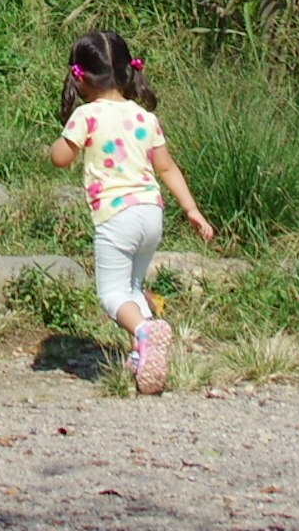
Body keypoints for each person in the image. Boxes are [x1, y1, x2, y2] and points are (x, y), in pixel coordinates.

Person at [49, 28, 216, 394]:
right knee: (134, 287)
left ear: (81, 77)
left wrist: (57, 142)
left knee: (111, 294)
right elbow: (168, 168)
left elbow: (61, 159)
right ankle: (142, 358)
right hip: (151, 215)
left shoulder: (87, 116)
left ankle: (144, 331)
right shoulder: (145, 118)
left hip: (116, 216)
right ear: (127, 71)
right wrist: (192, 210)